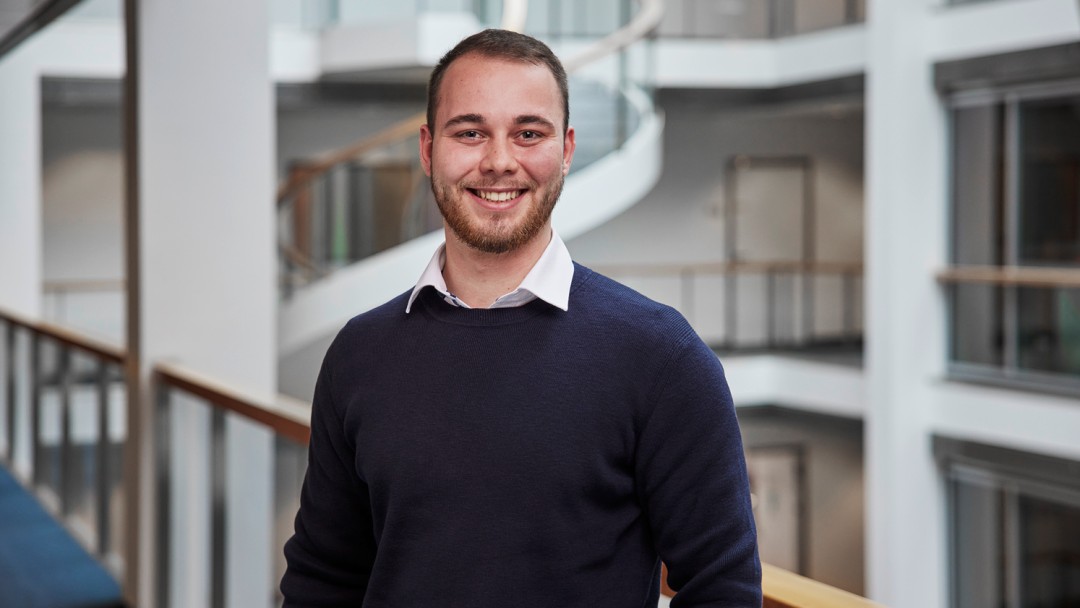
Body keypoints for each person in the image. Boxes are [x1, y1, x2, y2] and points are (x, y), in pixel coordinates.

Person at [281, 29, 761, 607]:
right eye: (471, 132)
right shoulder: (358, 353)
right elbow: (322, 580)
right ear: (428, 150)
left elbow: (722, 589)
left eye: (528, 133)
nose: (499, 161)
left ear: (566, 149)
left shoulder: (661, 358)